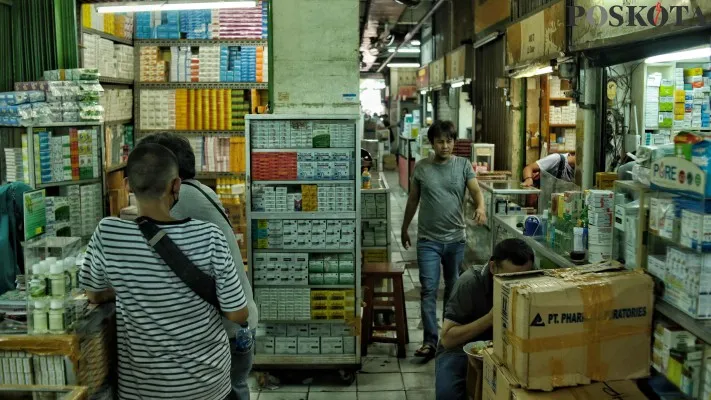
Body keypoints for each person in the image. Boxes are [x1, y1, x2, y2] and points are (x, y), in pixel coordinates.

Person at [81, 143, 248, 400]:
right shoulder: (210, 237)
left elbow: (93, 293)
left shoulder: (108, 233)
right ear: (176, 185)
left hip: (143, 390)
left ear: (127, 185)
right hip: (207, 386)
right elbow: (237, 313)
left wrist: (129, 290)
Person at [138, 133, 257, 399]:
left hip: (227, 327)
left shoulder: (180, 201)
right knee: (236, 388)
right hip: (239, 321)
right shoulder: (203, 190)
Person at [401, 120, 487, 361]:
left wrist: (481, 207)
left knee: (453, 288)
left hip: (456, 240)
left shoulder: (463, 165)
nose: (445, 146)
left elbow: (476, 191)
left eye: (449, 141)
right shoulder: (422, 168)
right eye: (440, 141)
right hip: (428, 239)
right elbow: (412, 201)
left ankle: (449, 337)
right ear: (432, 143)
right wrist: (405, 227)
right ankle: (429, 341)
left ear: (454, 142)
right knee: (428, 289)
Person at [435, 239, 535, 400]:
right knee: (448, 395)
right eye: (509, 278)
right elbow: (447, 339)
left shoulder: (532, 283)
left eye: (523, 277)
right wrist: (490, 318)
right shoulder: (469, 283)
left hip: (505, 349)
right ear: (493, 267)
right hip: (460, 350)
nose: (516, 285)